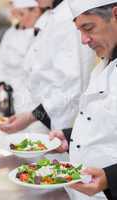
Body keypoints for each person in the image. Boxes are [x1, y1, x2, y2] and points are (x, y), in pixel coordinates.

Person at [49, 0, 117, 199]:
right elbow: (104, 125)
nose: (83, 40)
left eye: (88, 28)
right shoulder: (105, 64)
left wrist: (111, 178)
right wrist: (69, 136)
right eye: (79, 30)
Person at [0, 0, 95, 134]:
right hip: (39, 115)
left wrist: (31, 117)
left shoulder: (67, 18)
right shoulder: (54, 15)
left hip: (56, 123)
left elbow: (70, 87)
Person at [0, 0, 49, 117]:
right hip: (7, 100)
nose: (19, 19)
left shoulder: (45, 34)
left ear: (37, 11)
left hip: (35, 107)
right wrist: (0, 84)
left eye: (21, 14)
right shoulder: (10, 33)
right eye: (16, 14)